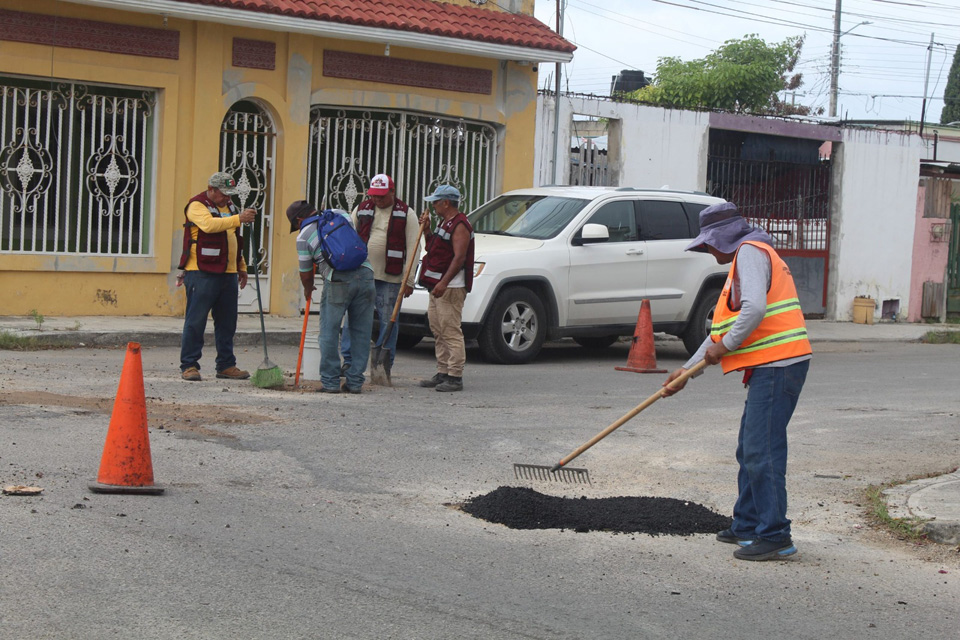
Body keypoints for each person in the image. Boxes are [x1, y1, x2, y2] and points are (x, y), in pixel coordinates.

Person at [661, 201, 812, 562]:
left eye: (708, 242)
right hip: (770, 365)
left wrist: (724, 348)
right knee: (750, 448)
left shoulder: (750, 252)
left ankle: (774, 534)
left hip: (780, 364)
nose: (707, 249)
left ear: (724, 237)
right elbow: (721, 332)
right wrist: (687, 371)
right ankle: (747, 524)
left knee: (763, 450)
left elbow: (755, 310)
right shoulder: (743, 262)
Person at [287, 200, 376, 394]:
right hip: (366, 274)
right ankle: (354, 382)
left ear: (299, 219)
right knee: (361, 332)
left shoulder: (303, 236)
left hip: (337, 280)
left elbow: (305, 271)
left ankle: (330, 381)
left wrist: (308, 288)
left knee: (329, 331)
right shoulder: (339, 213)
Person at [177, 171, 257, 382]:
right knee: (196, 321)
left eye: (230, 194)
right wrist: (238, 218)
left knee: (227, 323)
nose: (228, 198)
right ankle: (189, 365)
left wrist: (241, 266)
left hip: (227, 273)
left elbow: (235, 239)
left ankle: (226, 365)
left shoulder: (229, 207)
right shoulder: (197, 205)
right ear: (211, 189)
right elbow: (209, 226)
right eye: (223, 194)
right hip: (201, 271)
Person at [340, 174, 421, 371]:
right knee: (353, 318)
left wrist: (408, 280)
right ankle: (349, 361)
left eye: (382, 196)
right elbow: (348, 237)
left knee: (388, 321)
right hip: (360, 274)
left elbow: (414, 247)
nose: (377, 200)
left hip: (390, 278)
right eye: (374, 196)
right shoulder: (362, 209)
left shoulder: (406, 213)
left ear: (392, 192)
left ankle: (384, 363)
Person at [417, 185, 475, 393]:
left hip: (450, 287)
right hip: (438, 286)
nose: (433, 205)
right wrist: (427, 231)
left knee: (450, 331)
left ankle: (455, 376)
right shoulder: (445, 223)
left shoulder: (460, 225)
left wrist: (443, 283)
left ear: (446, 203)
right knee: (438, 330)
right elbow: (434, 247)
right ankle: (443, 372)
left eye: (435, 201)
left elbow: (459, 258)